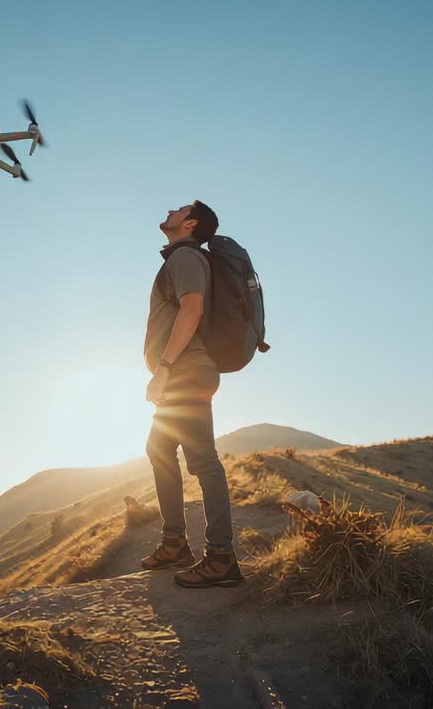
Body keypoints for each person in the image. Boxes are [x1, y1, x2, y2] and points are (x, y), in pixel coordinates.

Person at [140, 200, 243, 588]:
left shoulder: (185, 258)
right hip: (184, 373)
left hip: (185, 373)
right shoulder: (182, 258)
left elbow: (192, 311)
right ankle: (174, 544)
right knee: (160, 450)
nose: (169, 211)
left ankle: (220, 557)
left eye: (178, 209)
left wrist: (163, 369)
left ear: (190, 223)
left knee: (203, 462)